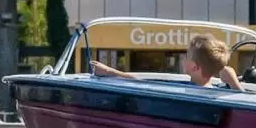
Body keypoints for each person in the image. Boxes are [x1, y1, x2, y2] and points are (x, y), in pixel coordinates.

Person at [92, 33, 244, 91]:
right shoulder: (219, 91)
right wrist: (233, 83)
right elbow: (241, 99)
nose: (184, 58)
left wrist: (110, 72)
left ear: (194, 67)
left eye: (187, 55)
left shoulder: (184, 88)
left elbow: (145, 83)